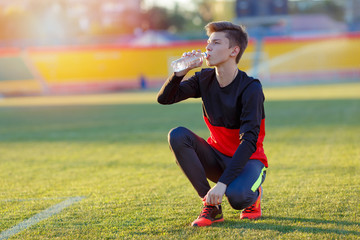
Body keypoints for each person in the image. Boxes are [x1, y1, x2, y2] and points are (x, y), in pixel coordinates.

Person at [157, 21, 268, 227]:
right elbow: (165, 99)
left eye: (216, 43)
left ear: (234, 50)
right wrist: (180, 73)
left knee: (237, 198)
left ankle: (254, 193)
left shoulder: (251, 88)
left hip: (249, 160)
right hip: (217, 157)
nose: (208, 47)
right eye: (208, 42)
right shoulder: (204, 78)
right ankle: (212, 208)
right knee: (178, 135)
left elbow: (249, 142)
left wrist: (223, 184)